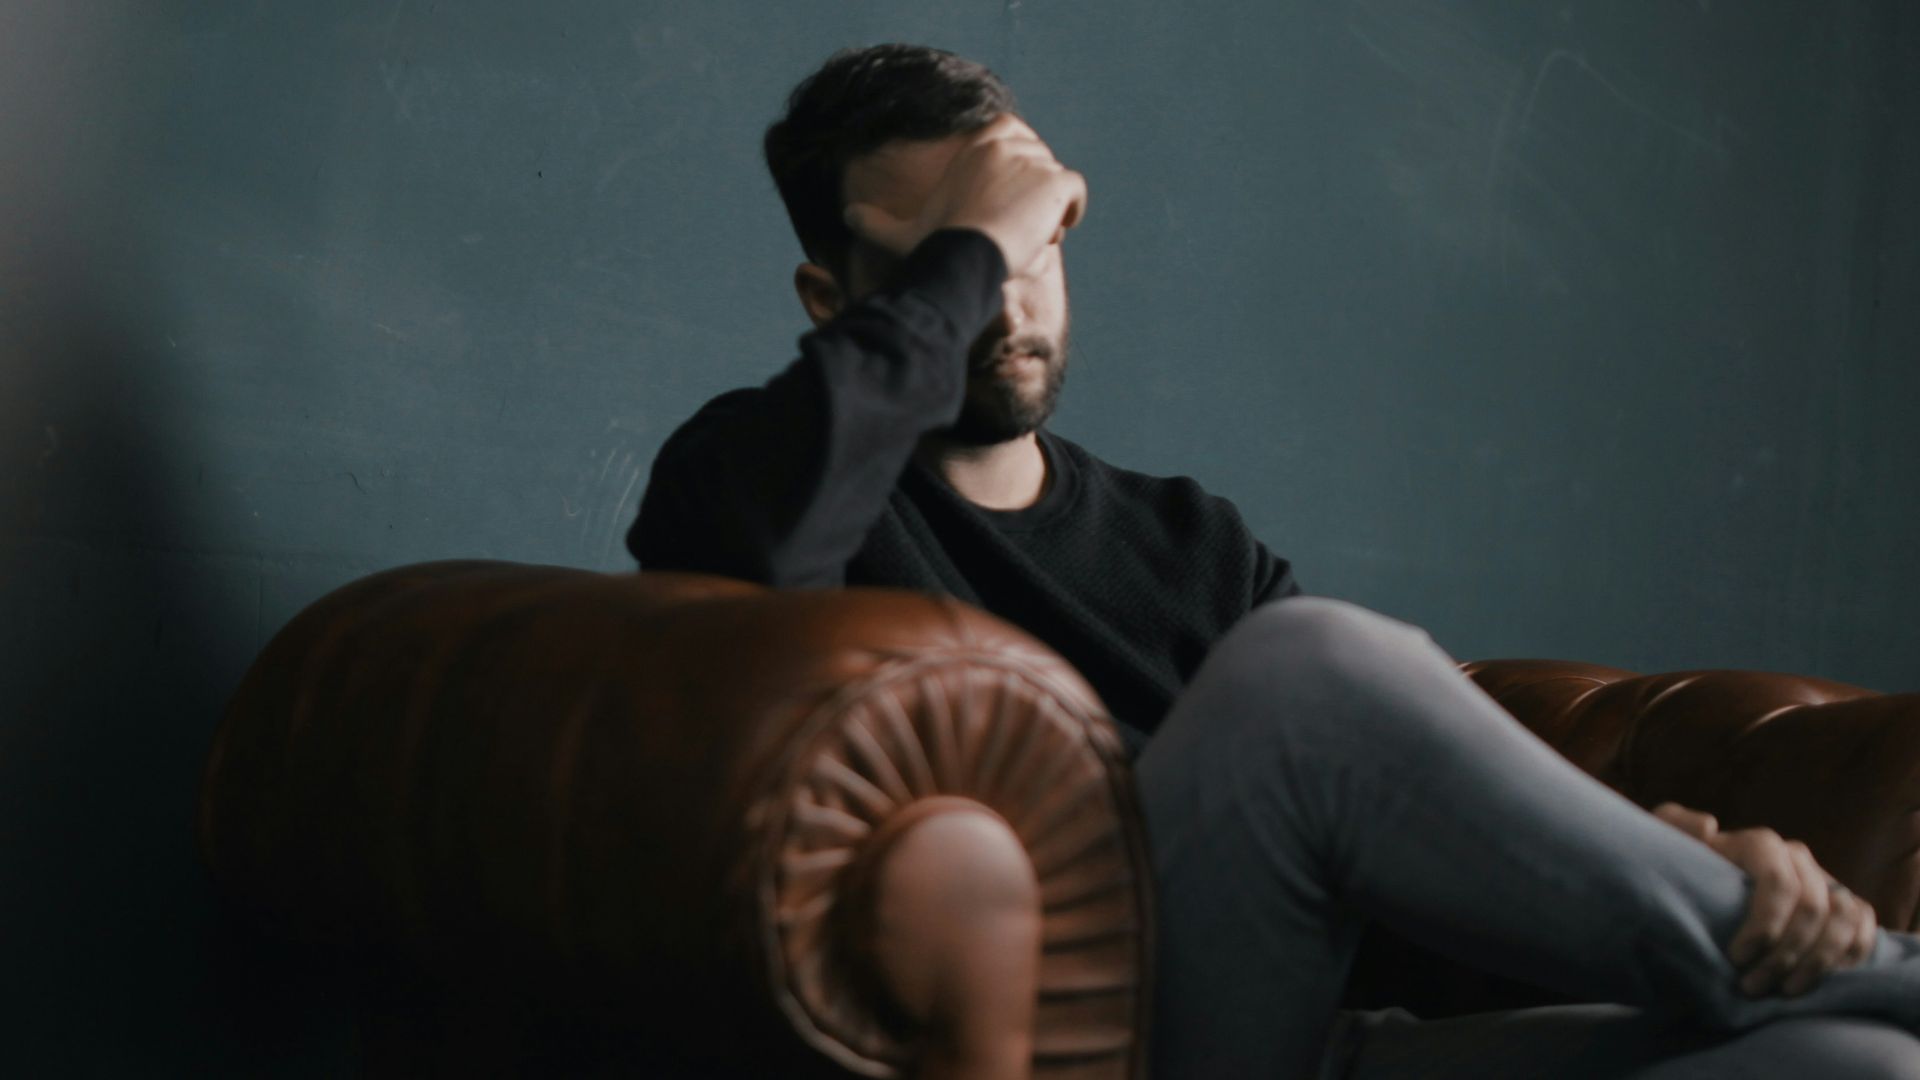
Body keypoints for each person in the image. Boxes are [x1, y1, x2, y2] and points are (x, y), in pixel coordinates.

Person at [628, 44, 1920, 1078]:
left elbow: (1400, 842)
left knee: (1847, 1061)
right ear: (832, 300)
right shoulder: (749, 475)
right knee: (1305, 667)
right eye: (954, 267)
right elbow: (769, 548)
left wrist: (1666, 857)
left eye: (1034, 250)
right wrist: (973, 242)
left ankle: (1842, 977)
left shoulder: (1193, 541)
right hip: (1091, 1042)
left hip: (1312, 1044)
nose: (1008, 302)